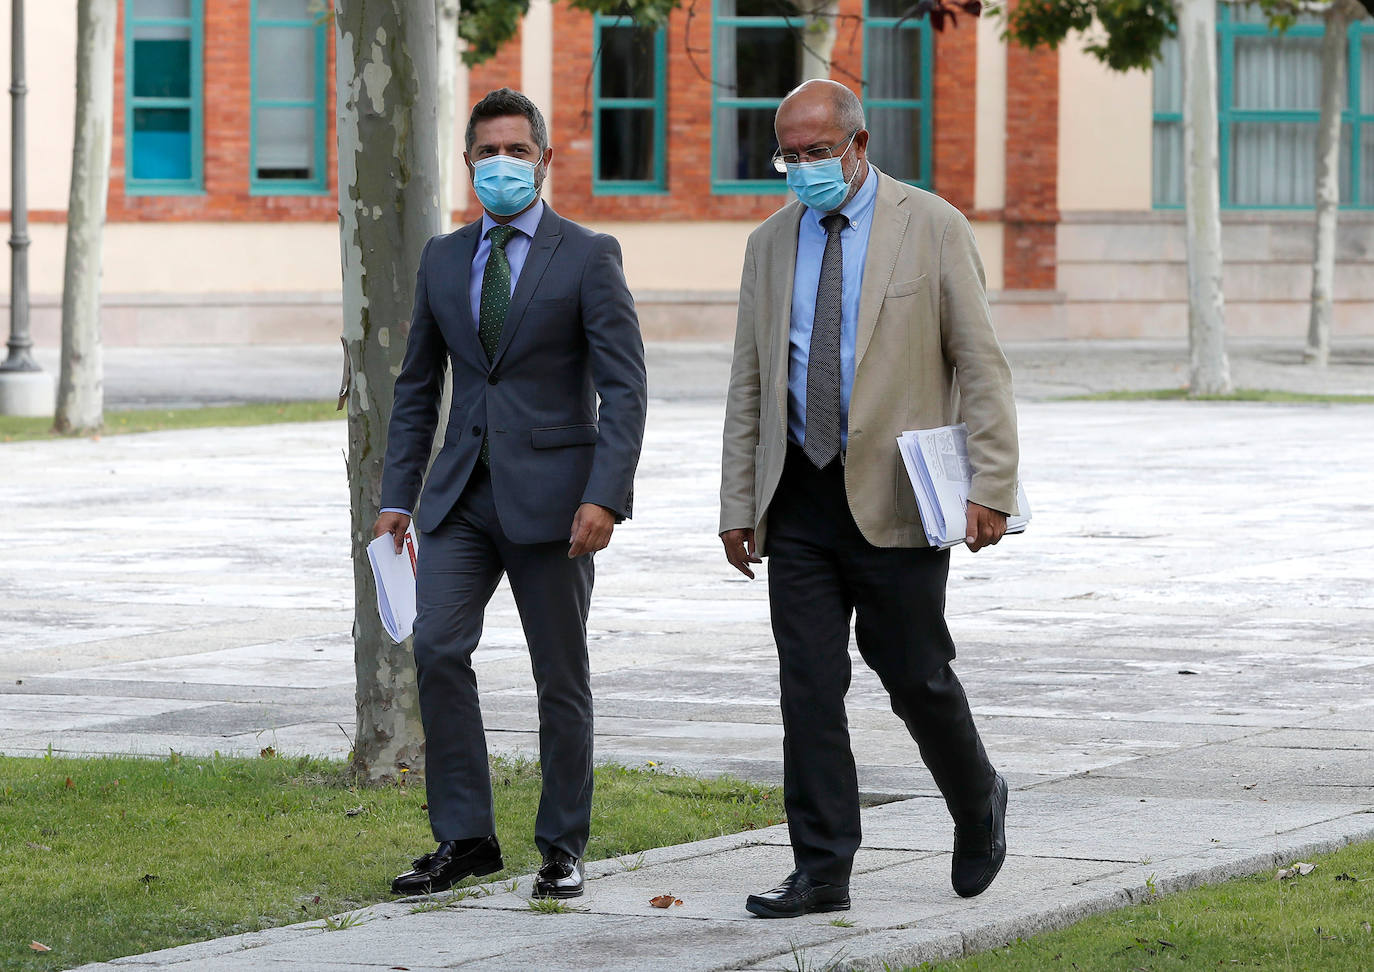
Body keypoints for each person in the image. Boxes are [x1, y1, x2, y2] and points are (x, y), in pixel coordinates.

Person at [719, 79, 1019, 919]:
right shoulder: (771, 243)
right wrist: (738, 502)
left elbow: (981, 366)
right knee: (807, 686)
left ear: (858, 145)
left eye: (819, 151)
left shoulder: (933, 227)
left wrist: (990, 486)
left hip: (897, 493)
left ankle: (976, 798)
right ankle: (822, 868)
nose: (805, 167)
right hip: (801, 496)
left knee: (915, 674)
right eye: (790, 154)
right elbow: (750, 382)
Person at [375, 88, 648, 900]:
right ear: (467, 164)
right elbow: (419, 384)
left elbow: (625, 390)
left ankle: (561, 847)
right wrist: (398, 492)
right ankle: (465, 838)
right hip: (460, 498)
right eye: (487, 152)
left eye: (516, 151)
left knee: (559, 675)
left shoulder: (589, 254)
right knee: (435, 648)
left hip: (559, 504)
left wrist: (607, 495)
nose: (501, 164)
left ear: (544, 160)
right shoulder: (443, 257)